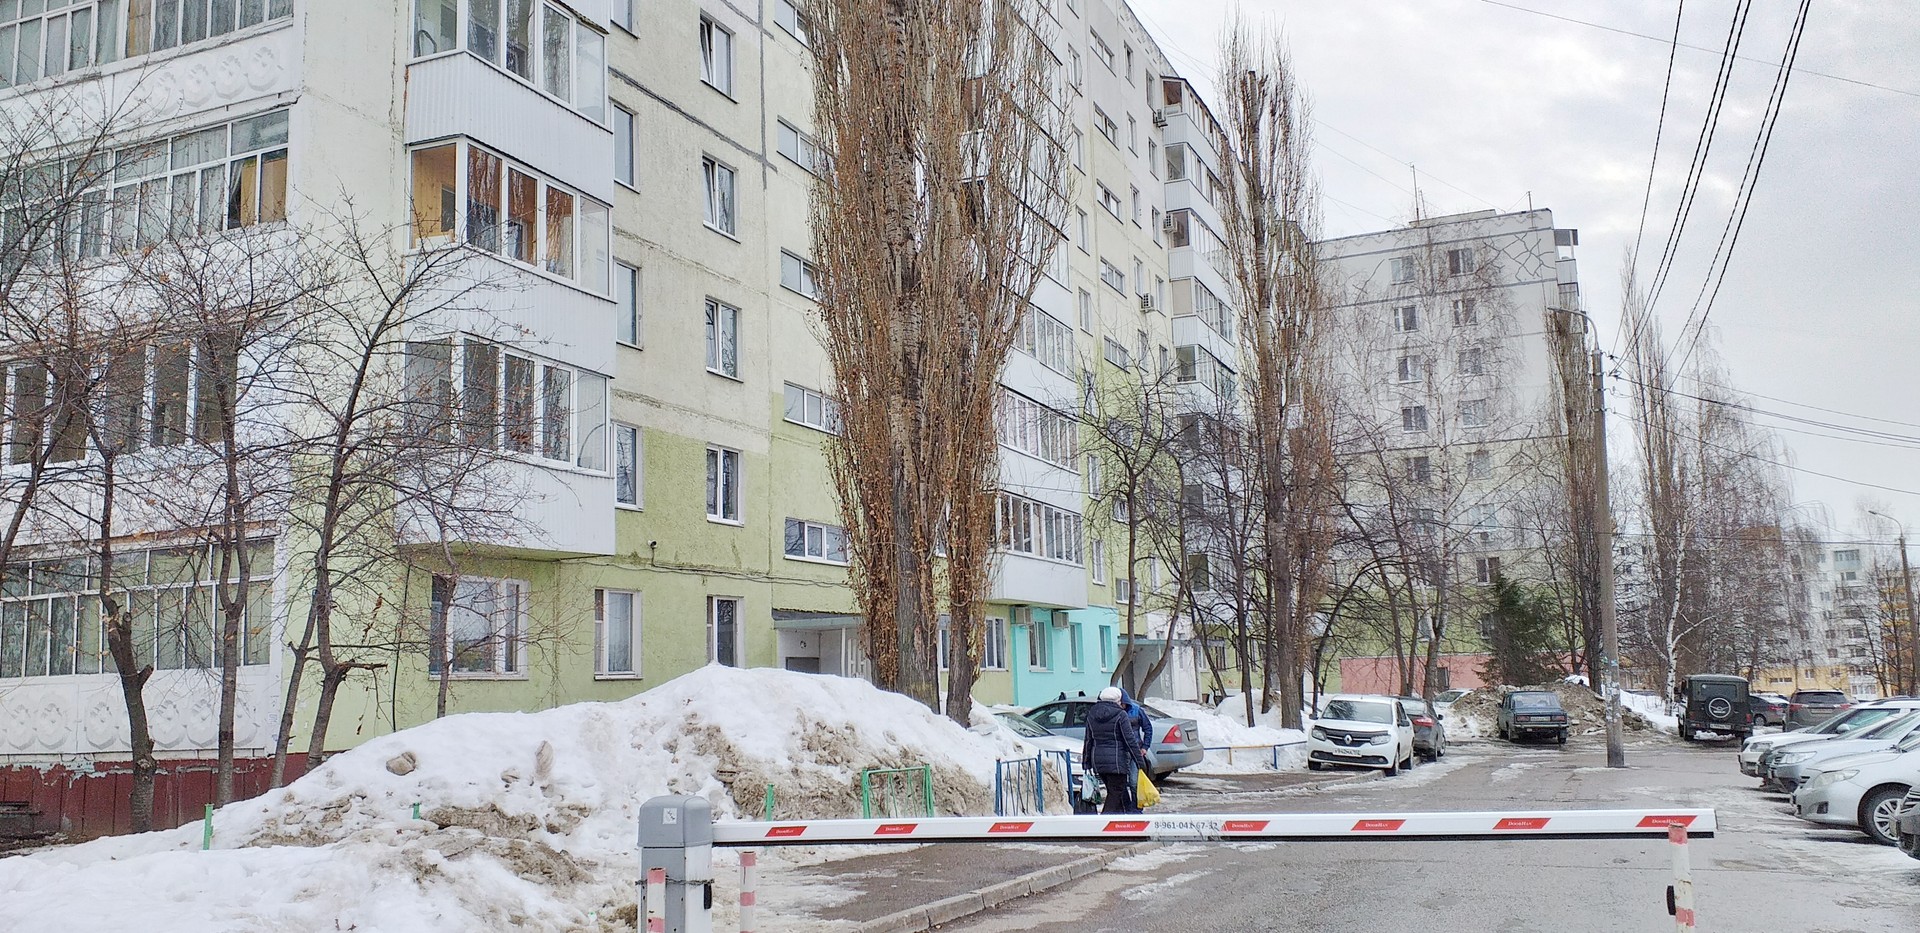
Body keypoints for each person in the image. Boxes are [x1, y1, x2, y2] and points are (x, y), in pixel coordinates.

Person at [1082, 686, 1148, 814]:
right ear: (1118, 700)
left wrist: (1086, 762)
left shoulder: (1092, 713)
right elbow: (1130, 740)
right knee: (1116, 793)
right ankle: (1105, 821)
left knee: (1119, 792)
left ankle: (1124, 818)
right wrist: (1140, 762)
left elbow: (1088, 739)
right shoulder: (1120, 715)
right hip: (1117, 763)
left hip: (1098, 762)